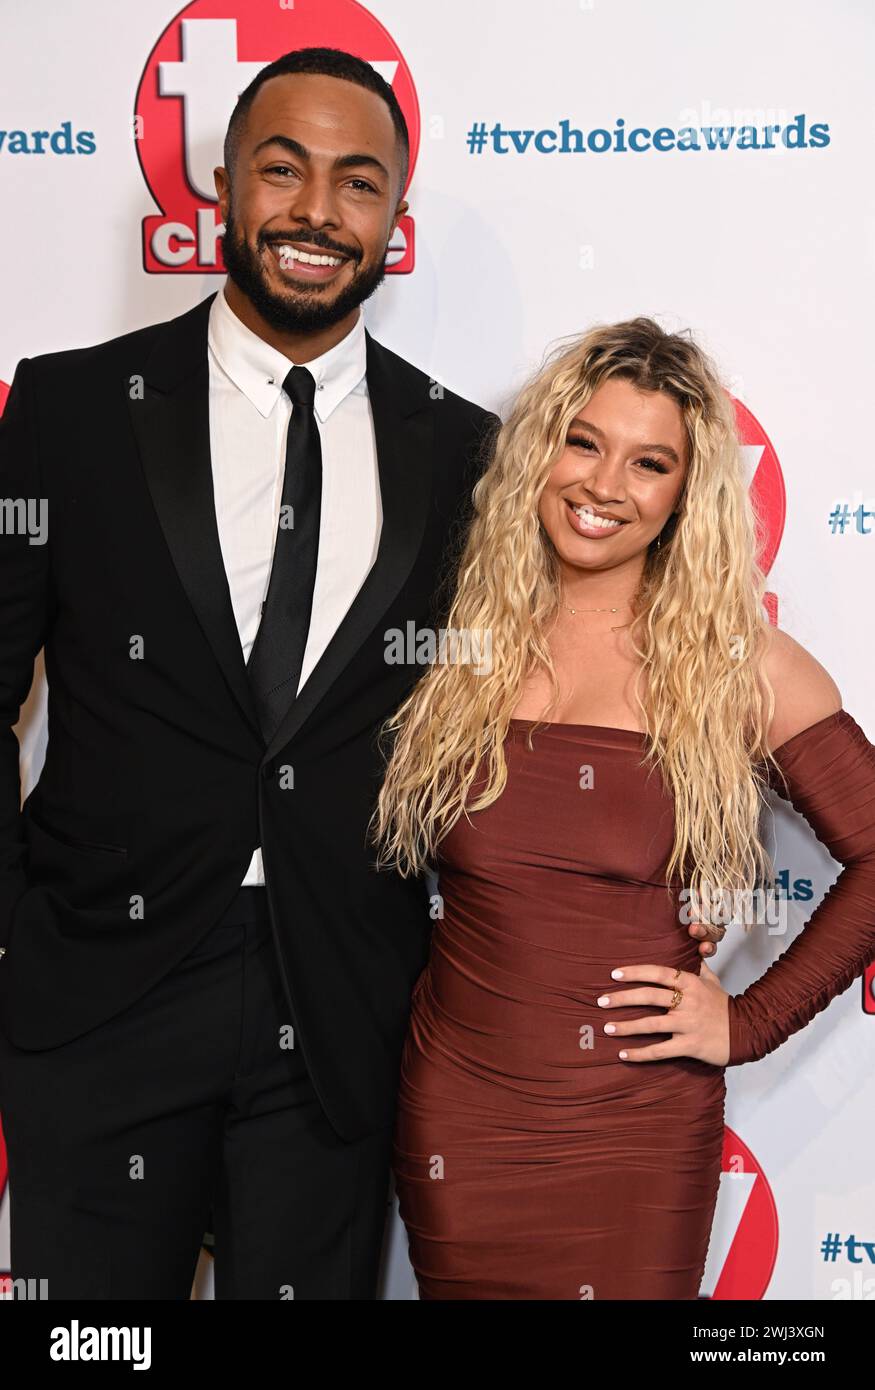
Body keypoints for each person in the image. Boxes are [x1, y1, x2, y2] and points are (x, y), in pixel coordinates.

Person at [0, 46, 513, 1300]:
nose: (315, 213)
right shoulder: (68, 412)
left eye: (357, 182)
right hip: (100, 991)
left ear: (393, 217)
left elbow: (514, 712)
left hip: (338, 1000)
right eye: (283, 170)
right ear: (222, 187)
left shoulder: (465, 451)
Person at [370, 316, 875, 1299]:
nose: (603, 486)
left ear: (684, 494)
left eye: (648, 463)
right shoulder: (452, 643)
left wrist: (750, 1018)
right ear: (536, 450)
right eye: (582, 441)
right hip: (459, 1118)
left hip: (633, 1127)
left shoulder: (736, 665)